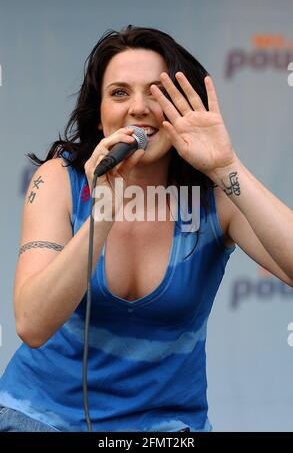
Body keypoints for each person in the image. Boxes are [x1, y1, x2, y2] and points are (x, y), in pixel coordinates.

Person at [0, 25, 292, 433]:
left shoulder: (215, 195)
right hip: (39, 418)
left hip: (166, 430)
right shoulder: (59, 181)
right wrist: (103, 211)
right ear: (99, 116)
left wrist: (227, 168)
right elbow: (32, 325)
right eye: (119, 93)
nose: (138, 108)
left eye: (156, 92)